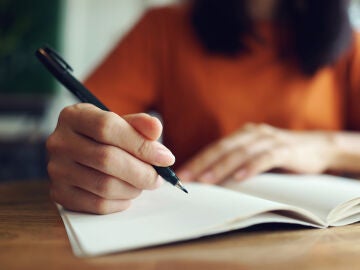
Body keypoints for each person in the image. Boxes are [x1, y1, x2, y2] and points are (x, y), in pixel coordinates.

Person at [47, 0, 360, 214]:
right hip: (190, 231)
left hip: (327, 241)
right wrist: (87, 152)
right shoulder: (162, 29)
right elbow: (96, 126)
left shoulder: (351, 45)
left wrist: (326, 146)